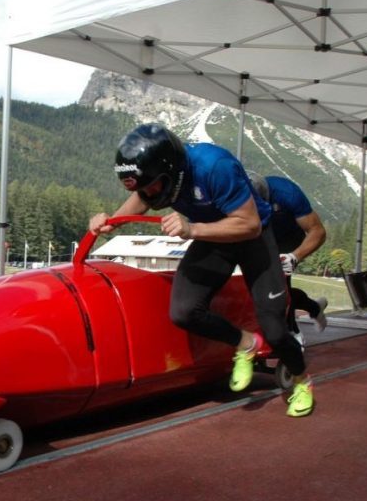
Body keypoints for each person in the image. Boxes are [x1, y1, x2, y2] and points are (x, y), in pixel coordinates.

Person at [90, 123, 314, 417]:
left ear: (172, 172)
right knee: (183, 311)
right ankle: (245, 343)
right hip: (212, 235)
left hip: (251, 235)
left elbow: (249, 225)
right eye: (142, 186)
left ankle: (302, 381)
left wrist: (191, 228)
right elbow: (142, 196)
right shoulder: (159, 177)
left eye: (152, 186)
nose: (148, 194)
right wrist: (110, 222)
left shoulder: (214, 166)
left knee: (273, 326)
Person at [248, 173, 329, 335]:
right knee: (258, 288)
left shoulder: (288, 193)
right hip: (259, 235)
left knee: (279, 285)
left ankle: (291, 333)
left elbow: (318, 231)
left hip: (289, 239)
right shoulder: (233, 191)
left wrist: (295, 256)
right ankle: (314, 307)